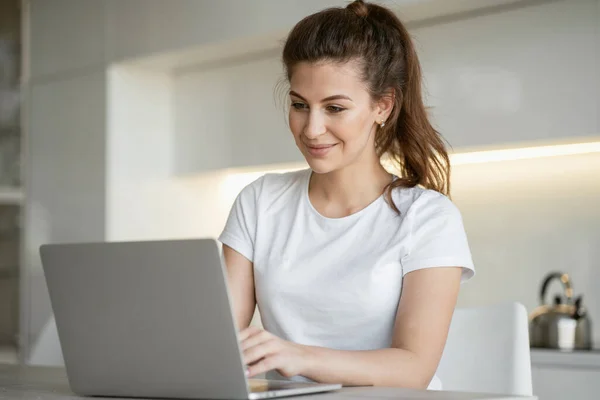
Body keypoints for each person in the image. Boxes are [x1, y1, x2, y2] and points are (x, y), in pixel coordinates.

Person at [218, 0, 475, 390]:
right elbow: (219, 343)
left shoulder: (427, 217)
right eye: (300, 105)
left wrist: (297, 355)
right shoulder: (259, 202)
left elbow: (413, 369)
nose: (312, 129)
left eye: (335, 108)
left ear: (382, 106)